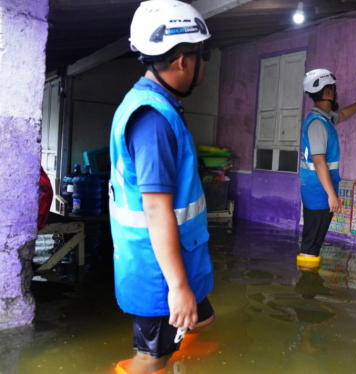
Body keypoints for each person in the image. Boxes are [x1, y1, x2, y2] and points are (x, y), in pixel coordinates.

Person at [109, 1, 215, 373]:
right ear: (183, 61)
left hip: (176, 261)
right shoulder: (152, 120)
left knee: (203, 321)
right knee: (150, 361)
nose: (206, 61)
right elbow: (156, 210)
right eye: (203, 53)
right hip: (159, 274)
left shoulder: (157, 105)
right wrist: (177, 288)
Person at [298, 69, 356, 267]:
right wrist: (332, 195)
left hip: (319, 191)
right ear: (329, 92)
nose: (336, 92)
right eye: (334, 88)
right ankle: (306, 290)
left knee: (314, 241)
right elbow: (319, 161)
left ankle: (308, 290)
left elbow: (342, 114)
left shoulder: (324, 119)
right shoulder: (317, 124)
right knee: (311, 244)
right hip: (319, 193)